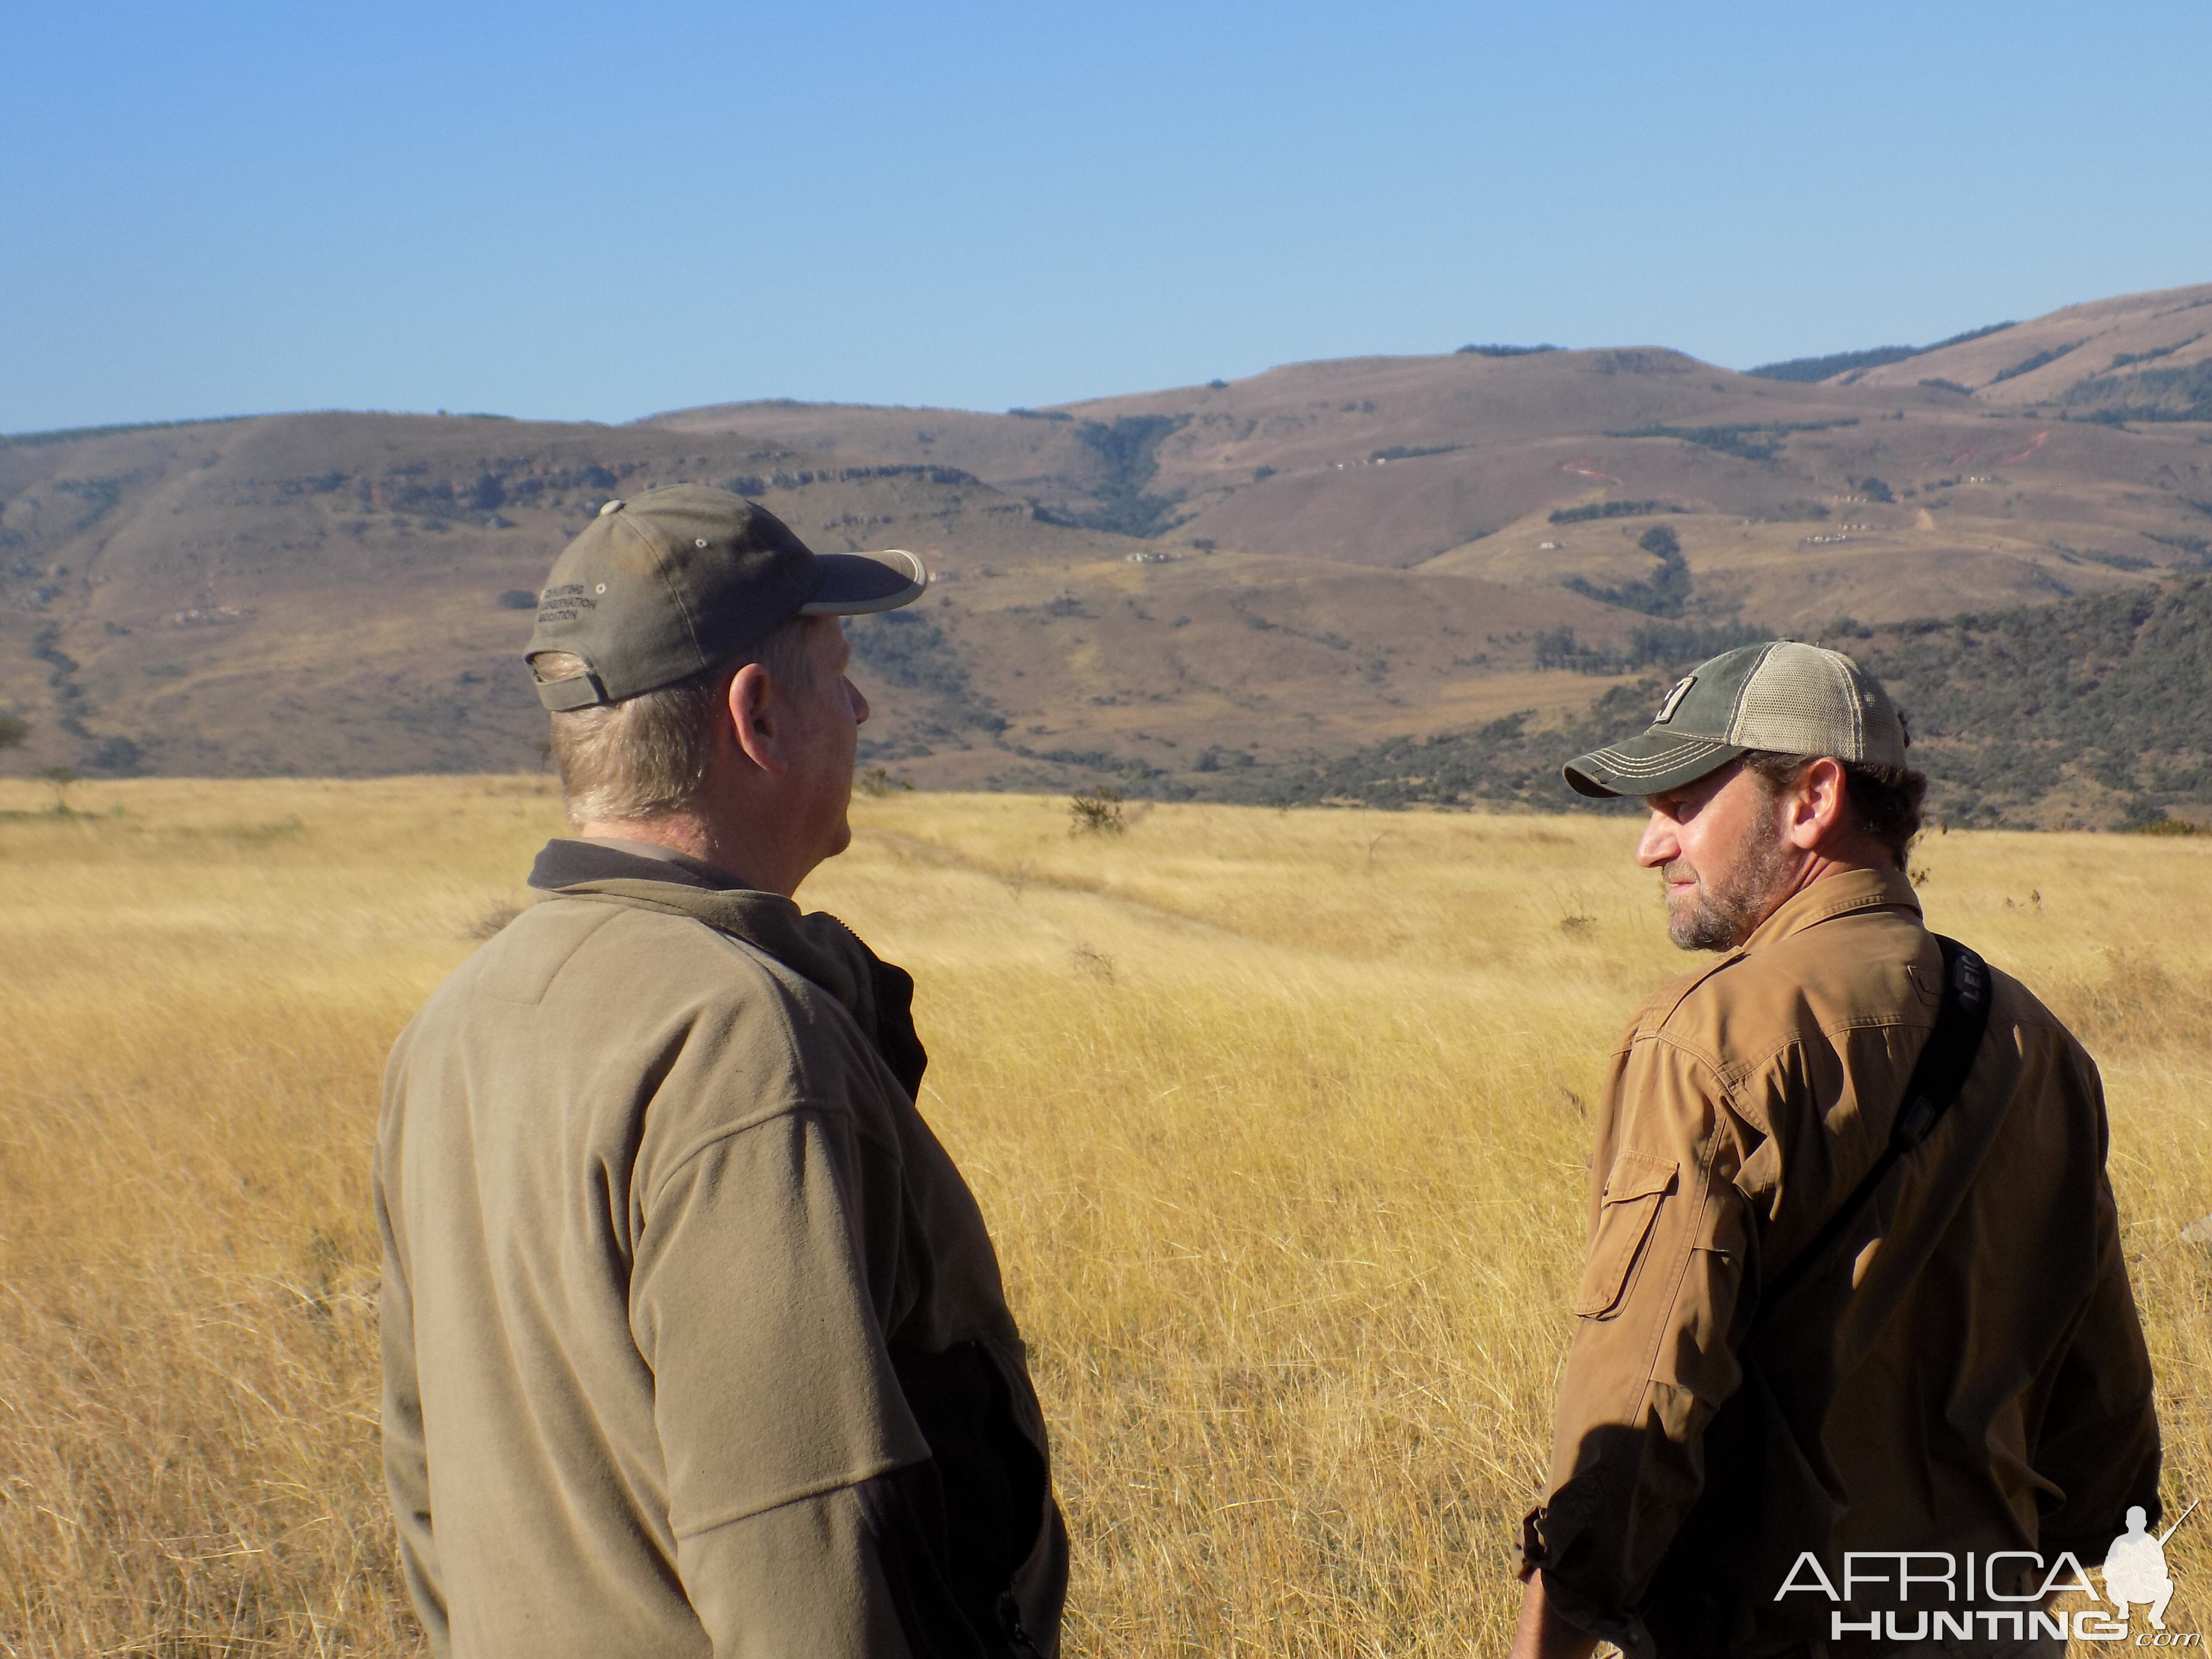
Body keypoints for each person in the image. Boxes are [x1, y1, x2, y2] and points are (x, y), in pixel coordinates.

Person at [376, 485, 1066, 1658]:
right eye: (838, 667)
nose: (861, 704)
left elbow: (426, 1483)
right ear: (758, 719)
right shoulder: (736, 1037)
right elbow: (805, 1545)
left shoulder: (452, 1025)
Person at [1510, 641, 2161, 1659]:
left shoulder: (1703, 1040)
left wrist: (1554, 1633)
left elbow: (1636, 1410)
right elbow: (2103, 1418)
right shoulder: (2041, 1046)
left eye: (1679, 803)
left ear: (1810, 799)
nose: (1649, 847)